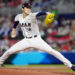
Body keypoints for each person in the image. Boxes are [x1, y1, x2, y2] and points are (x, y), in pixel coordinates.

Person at [0, 2, 75, 71]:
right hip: (26, 40)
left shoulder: (32, 15)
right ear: (22, 9)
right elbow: (16, 23)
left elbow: (39, 13)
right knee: (9, 51)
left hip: (36, 39)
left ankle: (70, 66)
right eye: (27, 8)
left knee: (52, 51)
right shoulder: (18, 17)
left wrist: (47, 13)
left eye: (29, 8)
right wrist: (13, 30)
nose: (29, 9)